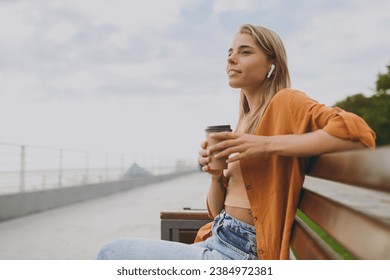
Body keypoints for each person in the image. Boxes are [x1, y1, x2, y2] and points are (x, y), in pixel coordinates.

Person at [96, 24, 375, 260]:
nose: (231, 59)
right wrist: (216, 175)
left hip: (240, 254)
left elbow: (359, 134)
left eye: (245, 52)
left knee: (111, 254)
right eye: (230, 52)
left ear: (272, 63)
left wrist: (265, 144)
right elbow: (216, 211)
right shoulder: (244, 119)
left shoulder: (286, 101)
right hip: (218, 238)